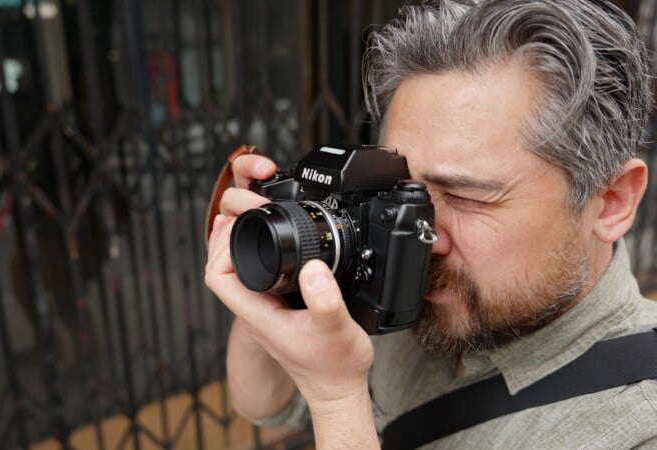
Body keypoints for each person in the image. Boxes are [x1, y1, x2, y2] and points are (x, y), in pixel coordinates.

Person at [205, 0, 657, 448]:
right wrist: (273, 275)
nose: (423, 236)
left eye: (465, 197)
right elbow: (265, 403)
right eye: (400, 191)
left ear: (611, 202)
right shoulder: (401, 281)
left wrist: (338, 399)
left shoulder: (638, 426)